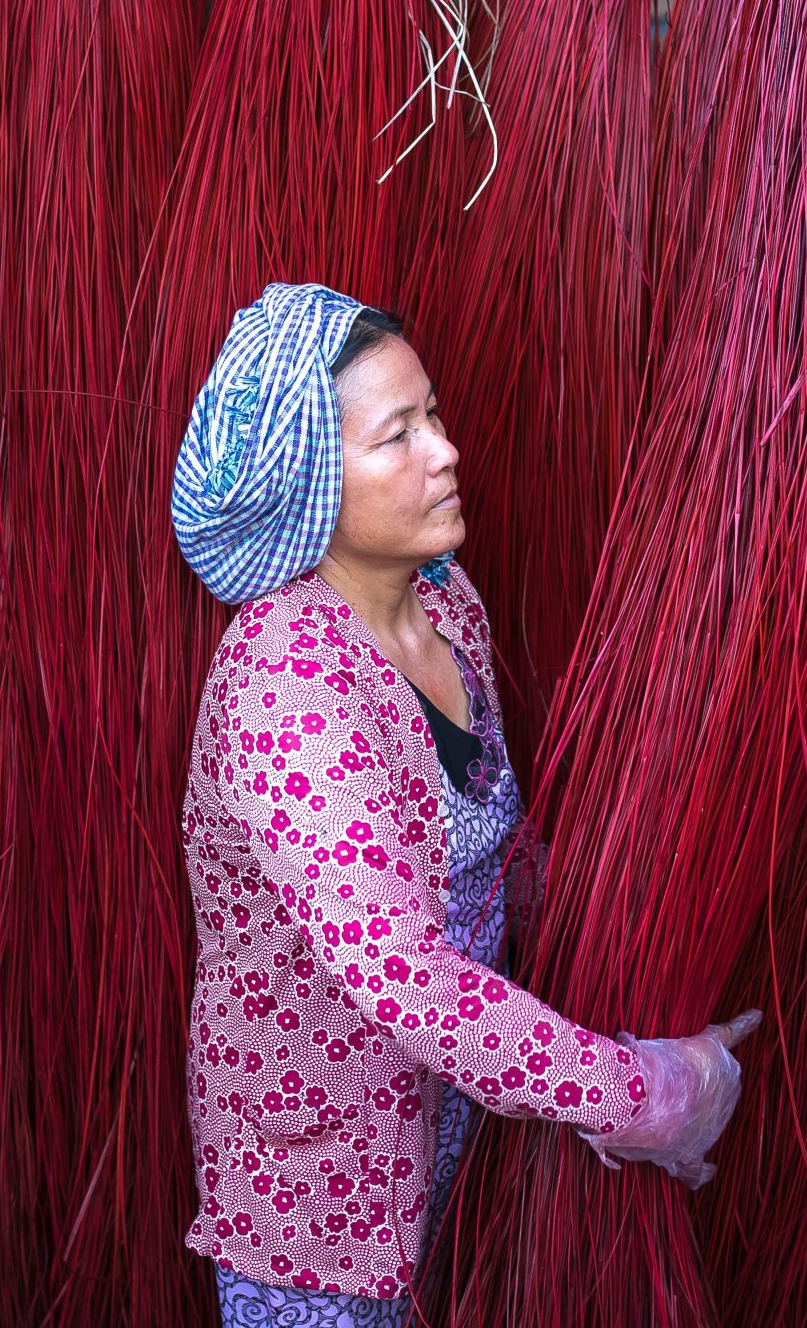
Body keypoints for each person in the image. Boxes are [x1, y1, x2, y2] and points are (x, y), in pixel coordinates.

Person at [171, 282, 758, 1325]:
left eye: (431, 415)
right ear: (309, 481)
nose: (443, 451)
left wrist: (609, 972)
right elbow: (409, 982)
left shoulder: (446, 600)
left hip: (460, 1138)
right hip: (324, 1206)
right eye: (396, 436)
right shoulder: (286, 688)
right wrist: (644, 1097)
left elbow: (497, 843)